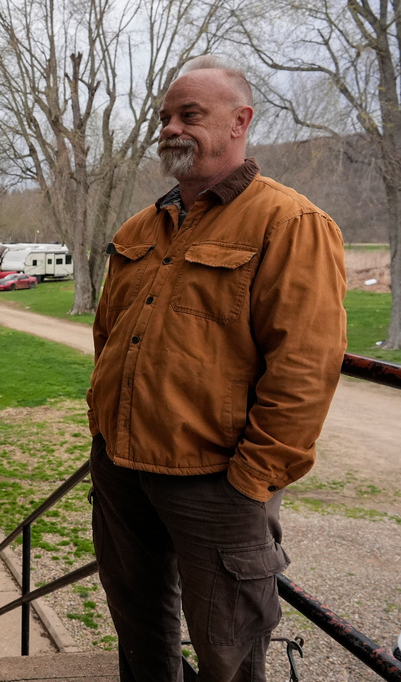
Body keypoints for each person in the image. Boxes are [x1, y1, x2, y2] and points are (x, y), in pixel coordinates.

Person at [86, 55, 347, 681]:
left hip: (217, 483)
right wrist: (105, 431)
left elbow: (305, 370)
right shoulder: (141, 227)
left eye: (190, 115)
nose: (171, 128)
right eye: (165, 117)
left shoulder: (289, 223)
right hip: (122, 469)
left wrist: (252, 479)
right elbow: (108, 335)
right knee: (140, 634)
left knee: (228, 651)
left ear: (240, 121)